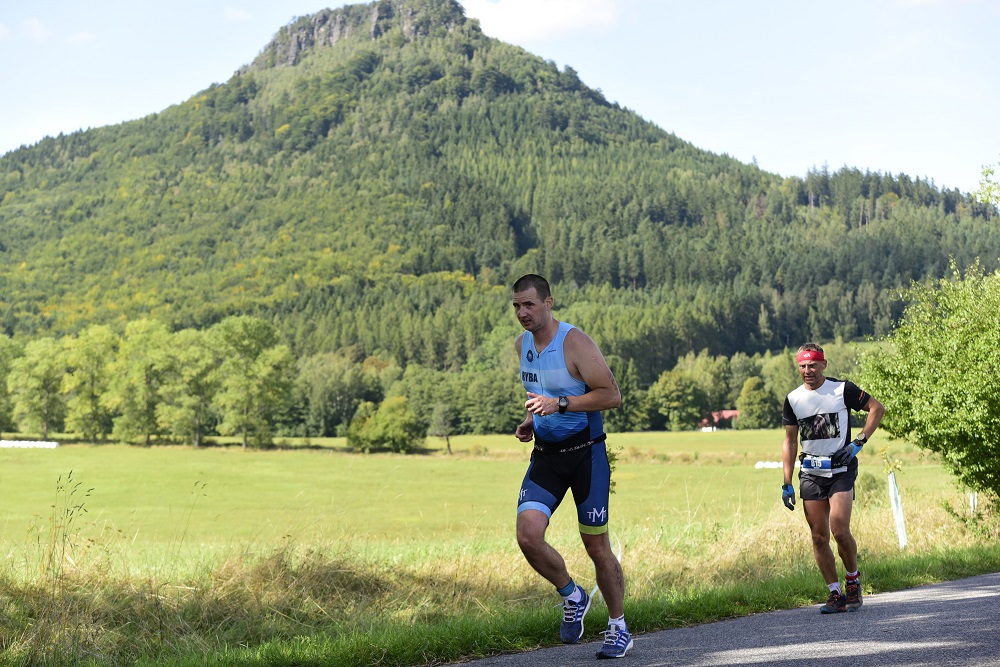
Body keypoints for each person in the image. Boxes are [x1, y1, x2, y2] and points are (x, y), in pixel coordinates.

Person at [511, 274, 632, 659]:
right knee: (528, 536)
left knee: (596, 546)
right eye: (516, 306)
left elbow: (612, 396)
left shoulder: (575, 343)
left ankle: (618, 627)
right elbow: (538, 393)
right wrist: (531, 420)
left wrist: (559, 405)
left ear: (548, 303)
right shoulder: (522, 345)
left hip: (586, 455)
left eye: (529, 304)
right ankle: (573, 595)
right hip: (547, 456)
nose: (522, 313)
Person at [781, 343, 885, 614]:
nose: (808, 371)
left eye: (813, 365)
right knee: (818, 536)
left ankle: (852, 580)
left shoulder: (842, 389)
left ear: (823, 365)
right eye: (803, 366)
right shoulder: (793, 399)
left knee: (839, 529)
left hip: (841, 470)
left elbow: (877, 408)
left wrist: (858, 443)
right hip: (811, 473)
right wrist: (786, 482)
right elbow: (790, 441)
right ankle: (835, 593)